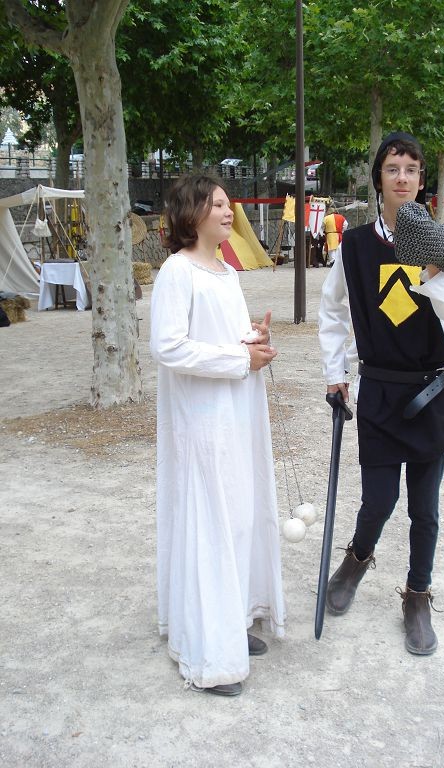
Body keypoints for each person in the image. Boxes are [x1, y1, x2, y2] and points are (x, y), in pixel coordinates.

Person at [318, 132, 444, 655]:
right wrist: (336, 373)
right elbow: (333, 310)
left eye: (411, 169)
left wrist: (436, 265)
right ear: (378, 179)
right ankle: (357, 560)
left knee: (424, 509)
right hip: (381, 390)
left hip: (430, 391)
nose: (402, 177)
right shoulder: (355, 246)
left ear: (421, 179)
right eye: (392, 168)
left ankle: (417, 596)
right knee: (379, 499)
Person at [150, 175, 284, 696]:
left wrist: (254, 340)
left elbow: (222, 337)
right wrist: (238, 357)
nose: (230, 212)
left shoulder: (226, 271)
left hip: (237, 411)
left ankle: (230, 618)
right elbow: (169, 347)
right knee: (211, 520)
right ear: (193, 213)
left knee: (239, 513)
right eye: (219, 205)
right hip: (203, 418)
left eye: (230, 204)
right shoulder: (176, 271)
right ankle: (209, 651)